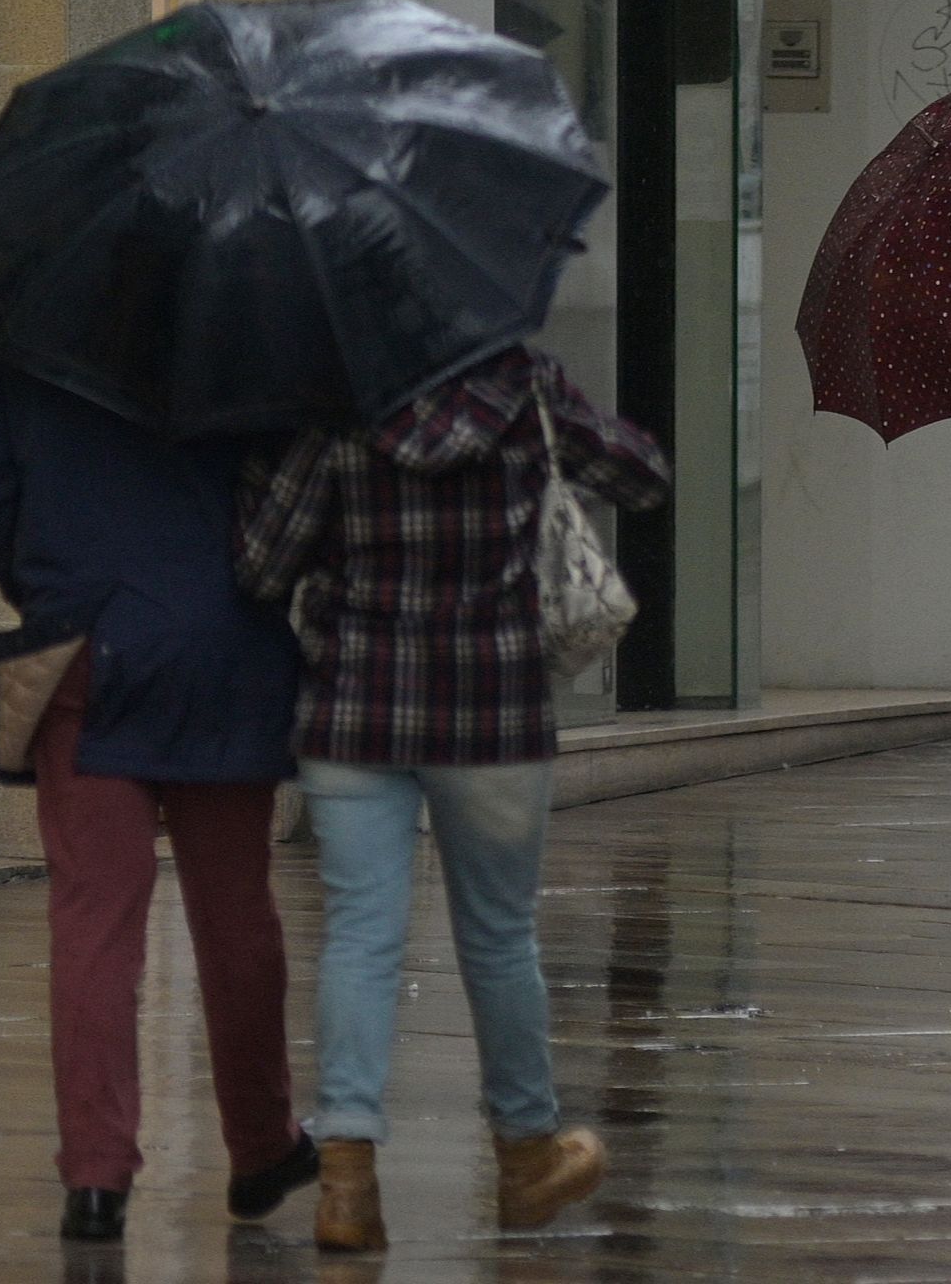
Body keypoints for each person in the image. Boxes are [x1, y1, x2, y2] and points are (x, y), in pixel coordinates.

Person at [235, 346, 669, 1252]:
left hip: (356, 705)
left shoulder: (335, 397)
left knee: (360, 935)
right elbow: (640, 476)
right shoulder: (522, 384)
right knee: (500, 938)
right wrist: (559, 433)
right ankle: (525, 1157)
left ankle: (347, 1179)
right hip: (493, 708)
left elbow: (265, 563)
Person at [0, 338, 314, 1245]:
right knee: (236, 916)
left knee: (93, 918)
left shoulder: (29, 307)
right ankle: (262, 1144)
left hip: (82, 650)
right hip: (221, 649)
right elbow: (294, 495)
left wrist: (53, 584)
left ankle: (97, 1179)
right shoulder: (246, 306)